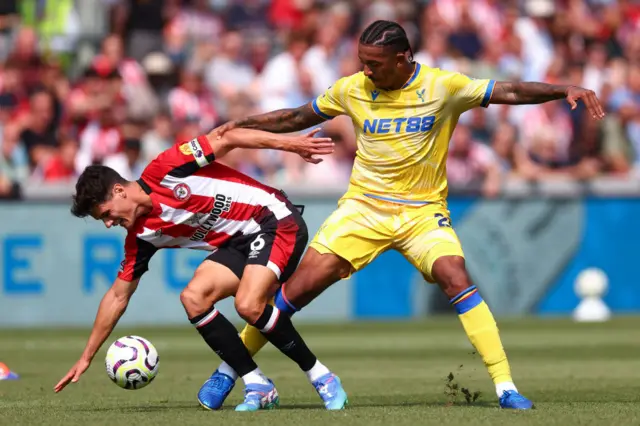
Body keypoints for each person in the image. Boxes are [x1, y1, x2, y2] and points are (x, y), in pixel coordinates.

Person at [205, 20, 606, 410]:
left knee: (455, 275)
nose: (366, 69)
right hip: (363, 210)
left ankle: (505, 387)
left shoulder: (443, 86)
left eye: (374, 63)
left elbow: (511, 91)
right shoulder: (353, 89)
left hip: (422, 213)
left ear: (402, 58)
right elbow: (296, 117)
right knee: (291, 294)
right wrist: (240, 124)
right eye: (363, 60)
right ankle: (230, 370)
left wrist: (561, 89)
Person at [53, 127, 349, 412]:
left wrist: (291, 144)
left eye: (106, 214)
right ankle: (257, 383)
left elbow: (227, 136)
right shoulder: (140, 237)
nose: (108, 223)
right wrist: (86, 356)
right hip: (239, 243)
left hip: (274, 219)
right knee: (193, 297)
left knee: (248, 304)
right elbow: (118, 296)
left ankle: (322, 377)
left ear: (119, 191)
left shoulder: (165, 169)